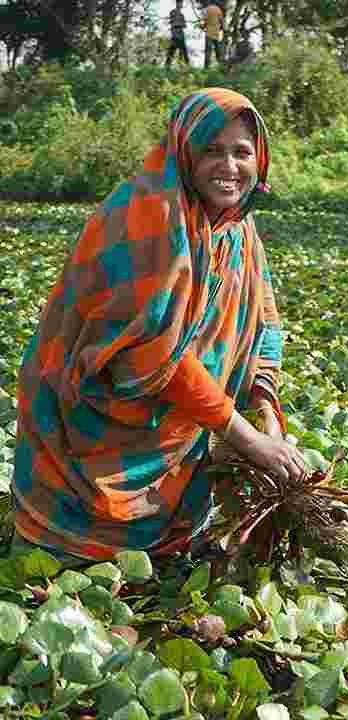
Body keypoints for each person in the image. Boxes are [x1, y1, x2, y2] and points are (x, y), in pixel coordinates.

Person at [10, 88, 307, 564]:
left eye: (242, 152)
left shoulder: (236, 227)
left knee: (166, 567)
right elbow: (150, 352)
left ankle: (161, 551)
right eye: (212, 150)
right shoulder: (146, 215)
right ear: (184, 151)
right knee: (62, 559)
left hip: (178, 426)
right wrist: (246, 438)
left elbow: (263, 322)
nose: (229, 166)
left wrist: (265, 405)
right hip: (88, 415)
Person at [165, 0, 190, 68]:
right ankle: (167, 66)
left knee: (184, 51)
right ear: (177, 3)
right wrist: (179, 24)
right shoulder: (173, 12)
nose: (181, 4)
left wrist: (180, 24)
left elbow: (184, 25)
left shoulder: (182, 15)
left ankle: (186, 66)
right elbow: (173, 23)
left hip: (181, 34)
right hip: (175, 33)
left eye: (182, 3)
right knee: (172, 51)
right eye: (180, 3)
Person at [202, 2, 225, 68]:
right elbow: (221, 21)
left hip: (208, 34)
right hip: (216, 34)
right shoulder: (218, 9)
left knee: (208, 51)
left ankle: (206, 67)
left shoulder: (207, 9)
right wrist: (222, 28)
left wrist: (202, 27)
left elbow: (205, 21)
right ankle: (221, 66)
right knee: (217, 51)